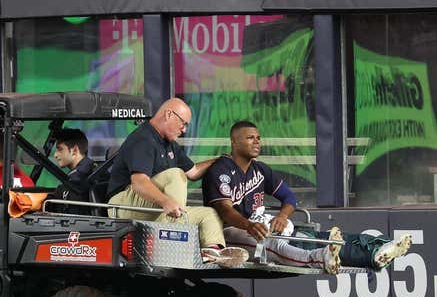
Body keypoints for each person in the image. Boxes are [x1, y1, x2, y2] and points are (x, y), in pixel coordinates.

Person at [202, 120, 412, 274]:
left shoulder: (261, 170)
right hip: (231, 232)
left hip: (260, 225)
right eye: (250, 138)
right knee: (274, 245)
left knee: (306, 239)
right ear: (234, 141)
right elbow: (225, 211)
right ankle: (321, 259)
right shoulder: (221, 169)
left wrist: (283, 216)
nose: (257, 142)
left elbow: (289, 198)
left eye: (258, 138)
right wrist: (248, 225)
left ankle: (376, 249)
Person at [106, 97, 246, 263]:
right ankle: (174, 241)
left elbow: (193, 172)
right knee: (174, 174)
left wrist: (223, 160)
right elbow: (139, 182)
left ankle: (213, 252)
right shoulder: (143, 138)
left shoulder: (169, 143)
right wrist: (166, 201)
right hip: (122, 205)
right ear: (168, 115)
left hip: (156, 209)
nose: (184, 130)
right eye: (183, 123)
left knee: (208, 214)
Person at [51, 128, 96, 214]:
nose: (55, 155)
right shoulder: (97, 170)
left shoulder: (76, 181)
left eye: (60, 149)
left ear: (74, 150)